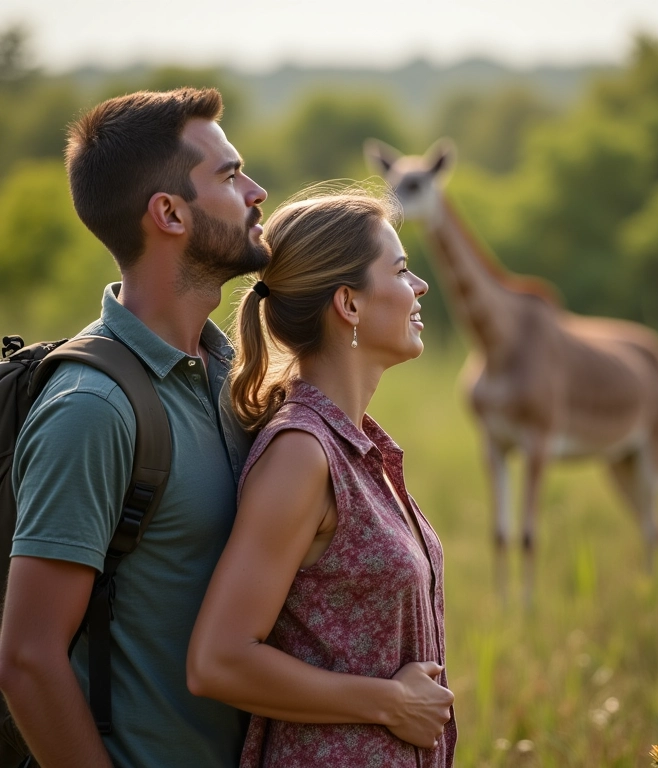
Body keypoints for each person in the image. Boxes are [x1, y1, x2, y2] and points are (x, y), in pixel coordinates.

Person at [0, 88, 268, 767]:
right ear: (170, 213)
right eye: (231, 176)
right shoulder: (92, 408)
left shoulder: (231, 374)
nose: (258, 191)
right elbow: (28, 660)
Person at [187, 187, 457, 767]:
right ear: (349, 305)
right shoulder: (302, 452)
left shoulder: (355, 445)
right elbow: (218, 659)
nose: (420, 287)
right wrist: (388, 703)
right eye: (403, 270)